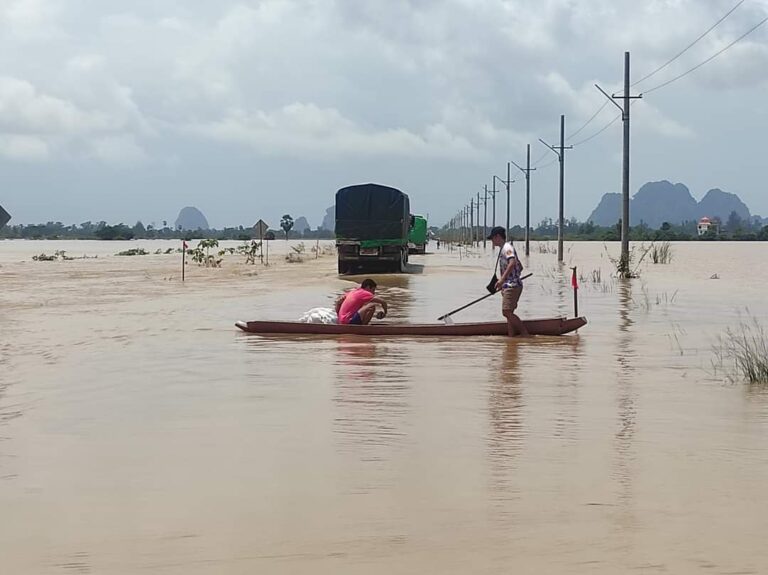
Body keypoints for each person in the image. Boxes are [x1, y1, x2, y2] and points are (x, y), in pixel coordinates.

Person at [488, 226, 529, 337]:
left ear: (497, 237)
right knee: (509, 313)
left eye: (492, 238)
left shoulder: (507, 248)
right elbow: (519, 266)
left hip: (512, 285)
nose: (492, 241)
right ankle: (511, 337)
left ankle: (525, 334)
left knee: (506, 312)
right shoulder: (504, 249)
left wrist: (502, 280)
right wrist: (503, 283)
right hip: (508, 285)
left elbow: (512, 263)